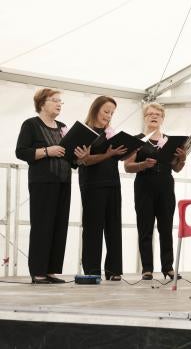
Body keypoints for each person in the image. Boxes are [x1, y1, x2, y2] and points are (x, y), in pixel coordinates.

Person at [15, 88, 75, 284]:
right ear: (42, 103)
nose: (59, 104)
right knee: (42, 226)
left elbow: (70, 157)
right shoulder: (31, 124)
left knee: (59, 225)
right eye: (54, 100)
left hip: (64, 181)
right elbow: (22, 152)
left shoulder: (63, 127)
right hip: (43, 182)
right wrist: (47, 151)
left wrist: (79, 156)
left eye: (60, 101)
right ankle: (38, 272)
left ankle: (50, 271)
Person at [123, 103, 186, 281]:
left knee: (166, 227)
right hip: (144, 184)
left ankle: (168, 267)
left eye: (158, 114)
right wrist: (143, 165)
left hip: (165, 185)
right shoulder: (137, 140)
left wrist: (182, 158)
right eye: (150, 114)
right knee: (145, 227)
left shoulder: (169, 140)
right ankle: (147, 268)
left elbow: (177, 168)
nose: (154, 116)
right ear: (144, 117)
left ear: (162, 118)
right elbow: (127, 166)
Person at [74, 96, 128, 280]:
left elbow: (116, 156)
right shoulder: (84, 132)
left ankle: (114, 270)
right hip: (92, 184)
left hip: (112, 182)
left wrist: (123, 151)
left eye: (112, 113)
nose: (108, 115)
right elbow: (85, 160)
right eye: (106, 111)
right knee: (93, 227)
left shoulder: (110, 133)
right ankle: (92, 270)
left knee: (114, 226)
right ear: (95, 109)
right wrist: (109, 154)